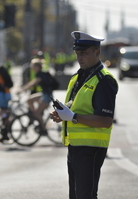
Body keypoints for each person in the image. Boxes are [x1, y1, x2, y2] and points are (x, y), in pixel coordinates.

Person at [50, 31, 118, 199]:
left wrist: (72, 117)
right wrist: (63, 113)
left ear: (97, 52)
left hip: (91, 148)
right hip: (75, 146)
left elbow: (105, 121)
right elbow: (76, 107)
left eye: (84, 53)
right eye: (78, 53)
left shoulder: (104, 80)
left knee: (85, 196)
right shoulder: (78, 77)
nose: (80, 58)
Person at [17, 58, 53, 135]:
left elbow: (32, 83)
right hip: (43, 94)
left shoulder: (41, 74)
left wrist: (22, 90)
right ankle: (35, 114)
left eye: (33, 66)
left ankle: (43, 129)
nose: (32, 68)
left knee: (37, 113)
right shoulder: (39, 74)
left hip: (47, 96)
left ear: (37, 67)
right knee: (29, 100)